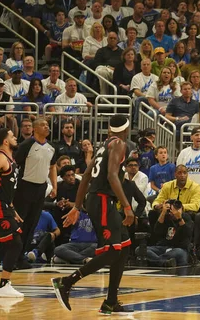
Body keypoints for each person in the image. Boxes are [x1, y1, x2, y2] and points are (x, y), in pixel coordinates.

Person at [52, 115, 135, 315]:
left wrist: (77, 207)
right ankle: (66, 282)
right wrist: (127, 206)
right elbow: (112, 176)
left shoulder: (102, 146)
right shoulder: (119, 144)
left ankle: (111, 302)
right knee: (114, 250)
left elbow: (86, 176)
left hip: (97, 199)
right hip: (103, 200)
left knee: (124, 247)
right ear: (126, 129)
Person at [13, 118, 58, 269]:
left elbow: (52, 167)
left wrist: (54, 186)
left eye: (47, 125)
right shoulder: (27, 145)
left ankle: (21, 257)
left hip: (41, 188)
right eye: (43, 125)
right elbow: (14, 164)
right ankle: (11, 257)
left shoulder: (51, 148)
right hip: (24, 187)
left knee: (32, 224)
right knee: (19, 223)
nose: (47, 127)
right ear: (35, 129)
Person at [0, 129, 25, 298]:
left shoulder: (10, 159)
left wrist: (12, 208)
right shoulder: (1, 157)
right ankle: (4, 284)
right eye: (12, 136)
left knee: (11, 243)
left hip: (5, 206)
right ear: (6, 141)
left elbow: (7, 189)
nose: (16, 137)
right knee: (15, 242)